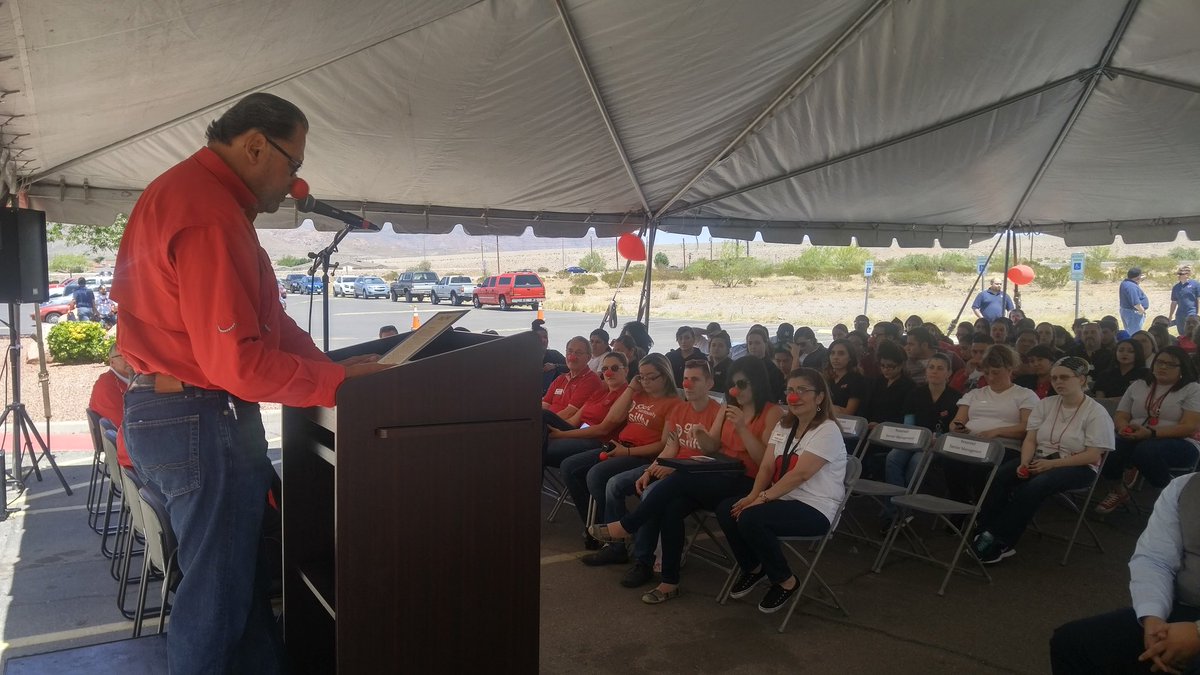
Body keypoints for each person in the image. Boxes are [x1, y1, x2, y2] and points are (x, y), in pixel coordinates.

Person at [111, 93, 389, 674]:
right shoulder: (208, 214)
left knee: (237, 591)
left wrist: (333, 372)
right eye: (293, 164)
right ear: (256, 144)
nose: (295, 184)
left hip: (173, 413)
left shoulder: (185, 193)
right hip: (200, 418)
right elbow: (236, 365)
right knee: (215, 603)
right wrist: (338, 386)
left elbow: (269, 323)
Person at [586, 359, 729, 599]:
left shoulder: (717, 413)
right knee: (615, 483)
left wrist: (671, 468)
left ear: (710, 383)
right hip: (669, 466)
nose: (689, 384)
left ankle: (642, 558)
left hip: (693, 475)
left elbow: (712, 455)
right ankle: (618, 545)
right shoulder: (679, 409)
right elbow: (670, 447)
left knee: (652, 494)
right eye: (686, 378)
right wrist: (651, 469)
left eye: (695, 379)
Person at [716, 368, 848, 614]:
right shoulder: (784, 425)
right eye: (789, 390)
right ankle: (754, 568)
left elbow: (801, 474)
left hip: (816, 508)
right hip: (783, 498)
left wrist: (763, 498)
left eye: (802, 391)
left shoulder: (827, 430)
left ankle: (785, 580)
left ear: (819, 397)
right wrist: (752, 495)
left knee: (751, 518)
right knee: (728, 509)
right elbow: (766, 466)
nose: (793, 396)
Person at [1050, 473, 1200, 674]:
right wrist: (1153, 617)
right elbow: (1156, 559)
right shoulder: (1184, 487)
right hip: (1184, 608)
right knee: (1072, 643)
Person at [972, 357, 1113, 564]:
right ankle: (984, 530)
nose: (1058, 382)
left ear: (1082, 380)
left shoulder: (1096, 413)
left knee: (1036, 485)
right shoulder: (1046, 404)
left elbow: (1093, 455)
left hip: (1078, 466)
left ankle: (1000, 540)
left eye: (1064, 377)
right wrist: (1023, 462)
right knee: (1000, 475)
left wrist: (1052, 464)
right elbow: (1030, 439)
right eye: (1054, 378)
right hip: (1039, 459)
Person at [559, 354, 679, 552]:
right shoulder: (639, 394)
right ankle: (600, 527)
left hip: (640, 454)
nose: (646, 381)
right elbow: (612, 417)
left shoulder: (673, 403)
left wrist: (628, 451)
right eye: (642, 376)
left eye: (651, 377)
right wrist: (632, 387)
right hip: (620, 447)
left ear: (665, 376)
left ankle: (614, 538)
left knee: (597, 475)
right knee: (570, 466)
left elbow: (663, 445)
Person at [1095, 346, 1200, 514]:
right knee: (1109, 445)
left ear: (1182, 368)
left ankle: (1170, 497)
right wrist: (1123, 428)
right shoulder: (1139, 385)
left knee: (1146, 450)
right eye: (1159, 362)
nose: (1163, 367)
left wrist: (1151, 433)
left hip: (1181, 442)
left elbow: (1189, 427)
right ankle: (1118, 490)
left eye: (1171, 364)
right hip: (1138, 437)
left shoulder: (1192, 389)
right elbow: (1121, 415)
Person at [946, 344, 1039, 503]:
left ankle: (980, 511)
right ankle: (960, 505)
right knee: (949, 460)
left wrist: (997, 431)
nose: (991, 378)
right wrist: (958, 427)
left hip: (1005, 447)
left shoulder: (1024, 395)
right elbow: (957, 420)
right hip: (972, 444)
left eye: (996, 373)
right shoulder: (975, 394)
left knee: (979, 468)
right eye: (987, 373)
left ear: (1010, 369)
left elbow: (1028, 428)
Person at [883, 354, 961, 527]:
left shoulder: (956, 398)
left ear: (949, 373)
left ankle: (898, 512)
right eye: (931, 367)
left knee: (917, 462)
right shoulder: (916, 393)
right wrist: (916, 439)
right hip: (914, 440)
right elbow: (909, 423)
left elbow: (953, 430)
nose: (934, 371)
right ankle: (899, 510)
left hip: (937, 445)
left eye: (940, 368)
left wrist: (936, 440)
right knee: (892, 458)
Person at [544, 352, 630, 470]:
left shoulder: (625, 396)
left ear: (626, 370)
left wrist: (561, 434)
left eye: (614, 368)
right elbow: (574, 421)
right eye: (605, 369)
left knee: (540, 448)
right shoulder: (600, 391)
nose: (609, 373)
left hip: (596, 440)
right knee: (544, 416)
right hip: (579, 432)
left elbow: (602, 430)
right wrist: (556, 431)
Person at [89, 343, 136, 468]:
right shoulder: (107, 385)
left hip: (126, 449)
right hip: (127, 453)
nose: (129, 359)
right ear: (112, 362)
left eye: (132, 355)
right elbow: (125, 425)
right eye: (123, 356)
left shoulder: (129, 380)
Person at [542, 336, 604, 416]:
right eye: (569, 351)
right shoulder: (560, 379)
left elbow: (569, 413)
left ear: (588, 358)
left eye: (578, 353)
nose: (572, 357)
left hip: (562, 426)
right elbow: (545, 404)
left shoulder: (591, 380)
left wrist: (543, 424)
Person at [862, 341, 915, 428]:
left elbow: (906, 416)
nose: (886, 370)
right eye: (882, 365)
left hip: (892, 430)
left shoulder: (909, 386)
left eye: (891, 366)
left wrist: (882, 425)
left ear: (901, 365)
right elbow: (868, 406)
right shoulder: (878, 381)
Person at [824, 339, 866, 416]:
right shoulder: (827, 378)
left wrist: (825, 407)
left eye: (841, 353)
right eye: (832, 353)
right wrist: (835, 408)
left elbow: (848, 412)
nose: (835, 357)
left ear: (850, 357)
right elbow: (816, 407)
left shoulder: (856, 379)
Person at [747, 327, 785, 402]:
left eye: (757, 343)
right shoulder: (742, 365)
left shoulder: (772, 369)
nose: (753, 347)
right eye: (750, 343)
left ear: (765, 344)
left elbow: (774, 394)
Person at [534, 322, 567, 393]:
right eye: (539, 337)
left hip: (552, 395)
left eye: (545, 337)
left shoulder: (554, 354)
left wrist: (555, 366)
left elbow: (570, 367)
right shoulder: (525, 357)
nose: (543, 340)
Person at [1120, 267, 1150, 333]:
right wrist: (1142, 311)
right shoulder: (1132, 287)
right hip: (1133, 313)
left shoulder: (1125, 283)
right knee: (1134, 333)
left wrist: (1140, 277)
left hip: (1126, 311)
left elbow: (1139, 278)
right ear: (1138, 277)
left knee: (1129, 332)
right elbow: (1136, 303)